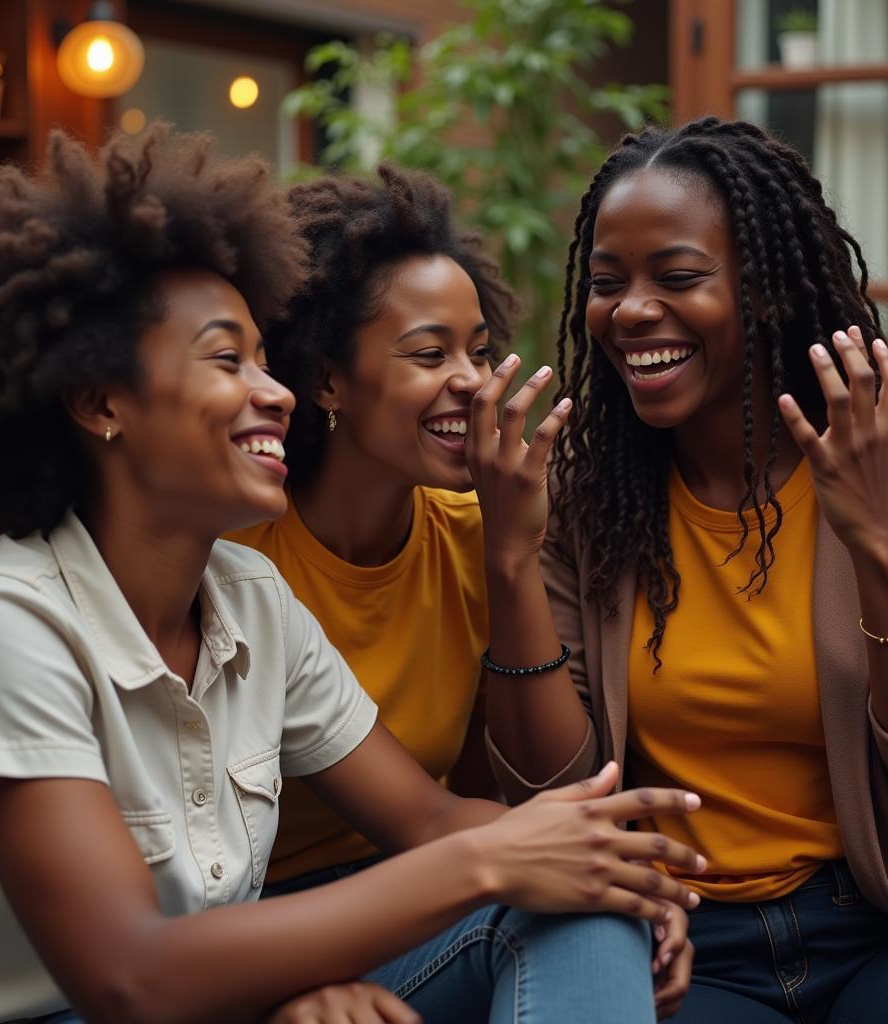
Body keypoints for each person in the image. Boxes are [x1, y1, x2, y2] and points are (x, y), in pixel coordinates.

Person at [0, 124, 706, 1024]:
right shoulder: (5, 619)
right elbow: (130, 975)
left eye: (265, 362)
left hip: (233, 985)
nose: (271, 392)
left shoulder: (249, 602)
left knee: (585, 909)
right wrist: (491, 862)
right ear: (99, 402)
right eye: (227, 360)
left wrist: (607, 861)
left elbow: (426, 822)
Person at [469, 117, 888, 1023]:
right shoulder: (589, 490)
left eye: (678, 278)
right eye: (606, 284)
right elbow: (554, 797)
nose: (629, 311)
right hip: (687, 943)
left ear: (768, 291)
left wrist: (878, 543)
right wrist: (509, 565)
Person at [227, 161, 694, 1018]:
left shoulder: (481, 532)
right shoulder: (232, 555)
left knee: (592, 907)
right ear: (326, 378)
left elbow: (458, 813)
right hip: (247, 934)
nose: (474, 382)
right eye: (429, 353)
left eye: (480, 351)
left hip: (412, 904)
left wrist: (612, 862)